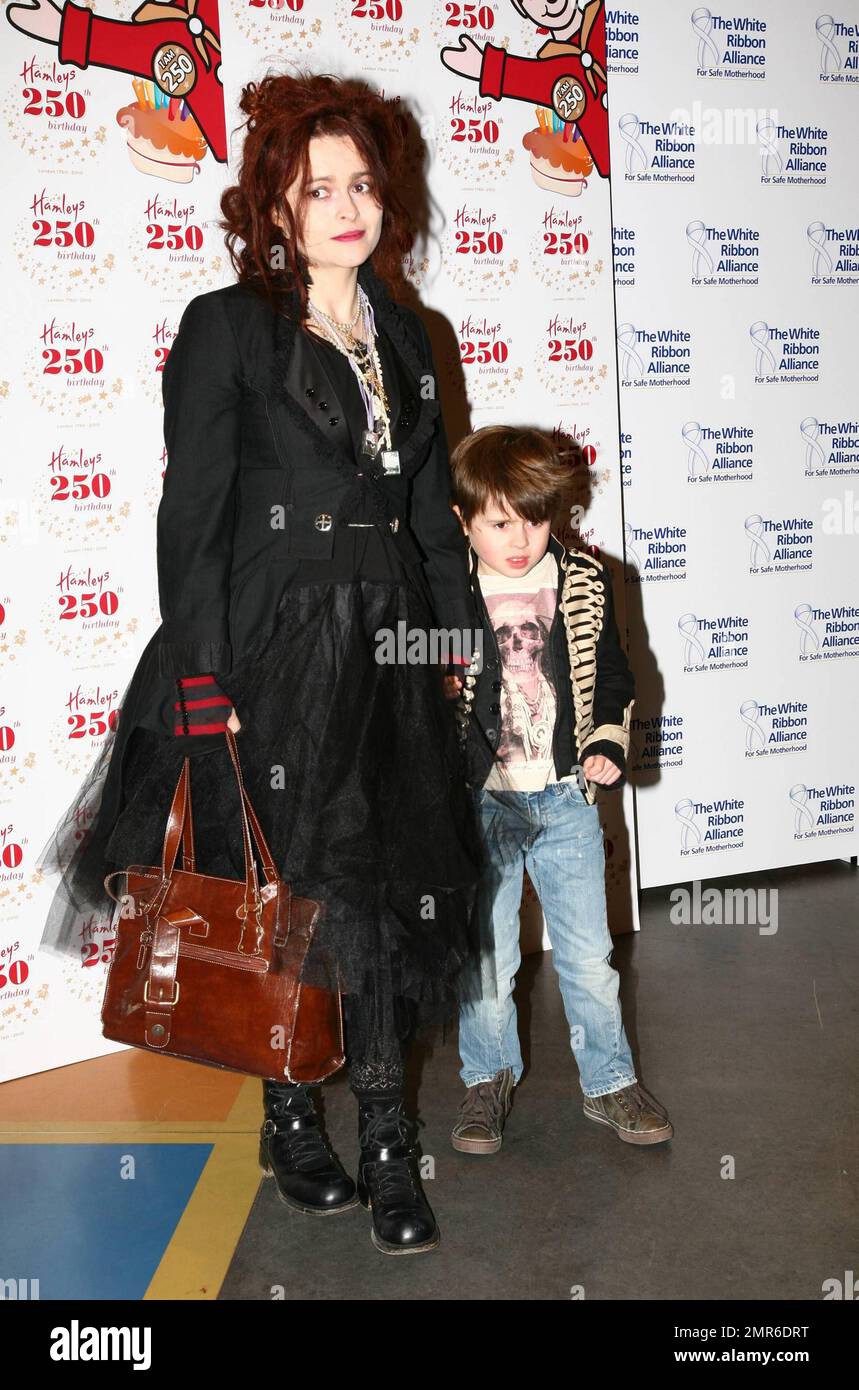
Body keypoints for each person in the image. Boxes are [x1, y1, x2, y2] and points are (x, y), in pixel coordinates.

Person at [35, 71, 484, 1256]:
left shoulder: (413, 334)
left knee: (382, 905)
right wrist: (200, 673)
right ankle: (292, 1123)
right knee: (280, 903)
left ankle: (392, 1144)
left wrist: (457, 655)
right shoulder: (228, 327)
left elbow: (431, 518)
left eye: (363, 184)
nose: (347, 206)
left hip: (389, 661)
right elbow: (195, 517)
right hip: (268, 656)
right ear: (273, 208)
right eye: (316, 187)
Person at [444, 425, 672, 1153]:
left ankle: (608, 1082)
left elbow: (614, 676)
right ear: (462, 519)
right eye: (499, 524)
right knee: (486, 957)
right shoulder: (443, 585)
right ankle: (486, 1080)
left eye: (535, 519)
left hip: (566, 798)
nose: (519, 540)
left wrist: (605, 741)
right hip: (483, 801)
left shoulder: (583, 578)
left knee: (586, 954)